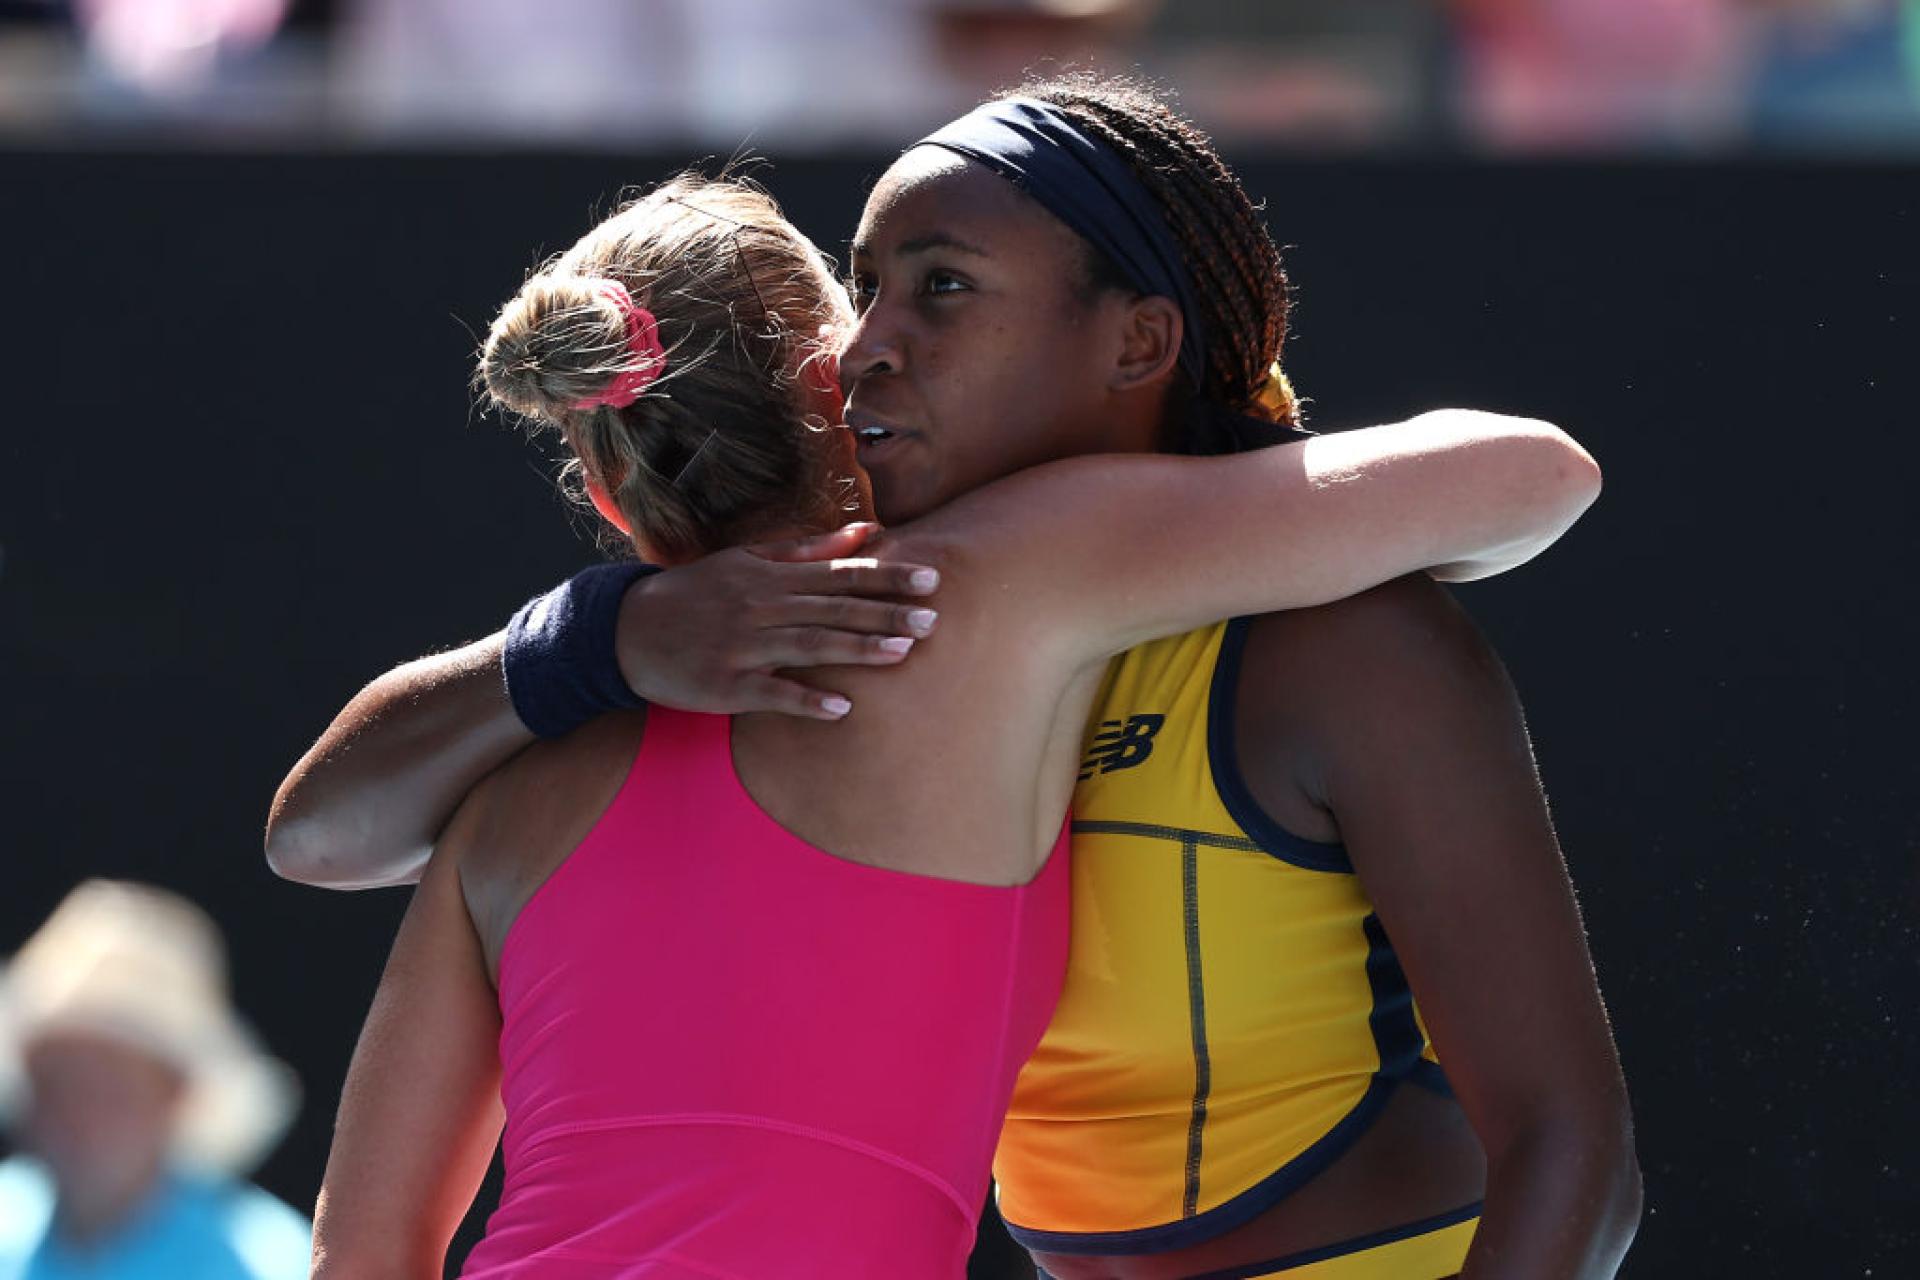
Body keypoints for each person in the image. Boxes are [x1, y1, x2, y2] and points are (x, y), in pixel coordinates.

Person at [274, 74, 1637, 1279]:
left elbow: (318, 850)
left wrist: (603, 633)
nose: (874, 342)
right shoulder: (944, 599)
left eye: (938, 286)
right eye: (863, 290)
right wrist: (621, 629)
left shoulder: (1318, 639)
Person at [0, 880, 310, 1280]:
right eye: (57, 1082)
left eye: (110, 1088)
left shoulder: (275, 1264)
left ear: (175, 1095)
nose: (78, 1115)